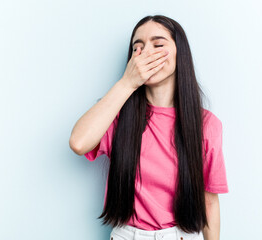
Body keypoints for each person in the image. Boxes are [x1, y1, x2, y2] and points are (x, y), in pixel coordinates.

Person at [69, 14, 229, 240]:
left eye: (158, 44)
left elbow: (209, 201)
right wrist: (128, 82)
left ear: (179, 53)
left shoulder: (206, 125)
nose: (146, 53)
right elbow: (78, 142)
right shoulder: (115, 115)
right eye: (138, 48)